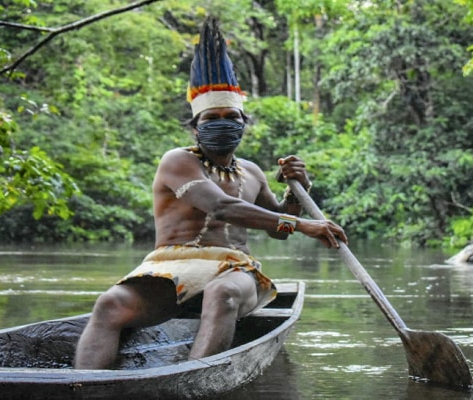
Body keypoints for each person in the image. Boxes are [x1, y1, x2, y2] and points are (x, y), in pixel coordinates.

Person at [74, 18, 347, 370]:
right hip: (170, 265)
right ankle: (83, 387)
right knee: (110, 304)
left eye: (231, 117)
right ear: (195, 127)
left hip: (235, 269)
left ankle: (191, 381)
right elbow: (220, 206)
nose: (222, 123)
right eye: (211, 117)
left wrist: (298, 189)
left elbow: (275, 230)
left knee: (223, 293)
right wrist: (304, 224)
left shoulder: (251, 171)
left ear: (243, 124)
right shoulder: (178, 161)